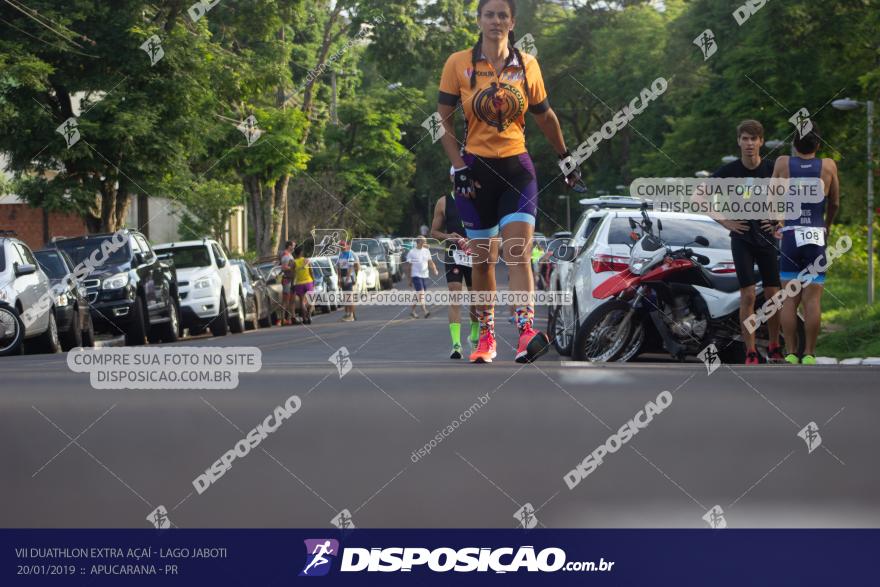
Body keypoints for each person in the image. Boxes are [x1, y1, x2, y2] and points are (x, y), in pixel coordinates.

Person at [437, 0, 582, 363]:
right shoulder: (458, 63)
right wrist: (459, 166)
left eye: (503, 15)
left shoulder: (527, 64)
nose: (496, 21)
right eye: (489, 14)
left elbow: (545, 117)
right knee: (484, 261)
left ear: (512, 22)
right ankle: (486, 338)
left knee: (517, 254)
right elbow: (443, 122)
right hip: (475, 173)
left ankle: (525, 332)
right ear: (479, 20)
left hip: (517, 169)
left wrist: (566, 157)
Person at [712, 120, 783, 365]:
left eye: (754, 139)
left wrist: (780, 221)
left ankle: (775, 345)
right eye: (745, 139)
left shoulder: (773, 169)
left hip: (767, 238)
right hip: (742, 238)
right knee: (749, 296)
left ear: (761, 141)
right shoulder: (729, 171)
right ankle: (750, 351)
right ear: (739, 142)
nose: (749, 143)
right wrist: (726, 222)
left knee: (774, 295)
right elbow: (698, 196)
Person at [772, 124, 840, 365]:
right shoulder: (829, 165)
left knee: (789, 298)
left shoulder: (782, 163)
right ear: (818, 145)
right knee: (813, 299)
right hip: (815, 233)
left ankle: (790, 352)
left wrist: (776, 224)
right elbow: (834, 203)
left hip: (790, 234)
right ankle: (809, 353)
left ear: (794, 145)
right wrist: (827, 226)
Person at [432, 167, 481, 358]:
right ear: (451, 177)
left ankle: (474, 337)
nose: (458, 179)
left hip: (474, 254)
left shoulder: (476, 199)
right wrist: (448, 236)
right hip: (453, 254)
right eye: (455, 175)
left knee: (476, 300)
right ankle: (456, 344)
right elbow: (434, 233)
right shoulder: (443, 202)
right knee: (455, 298)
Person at [406, 236, 439, 319]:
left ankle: (412, 311)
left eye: (426, 241)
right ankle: (425, 311)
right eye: (424, 241)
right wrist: (409, 279)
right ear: (419, 242)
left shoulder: (426, 251)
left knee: (419, 295)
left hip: (425, 275)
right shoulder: (412, 252)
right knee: (421, 293)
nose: (425, 243)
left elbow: (430, 262)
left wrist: (434, 269)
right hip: (415, 275)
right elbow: (409, 267)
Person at [336, 240, 360, 322]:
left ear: (346, 246)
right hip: (342, 277)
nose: (342, 247)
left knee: (349, 297)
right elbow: (338, 267)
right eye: (340, 246)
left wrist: (348, 277)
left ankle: (352, 315)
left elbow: (350, 267)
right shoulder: (340, 255)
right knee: (345, 296)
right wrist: (338, 279)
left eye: (343, 245)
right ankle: (347, 314)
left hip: (348, 277)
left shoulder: (350, 254)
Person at [292, 245, 314, 325]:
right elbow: (311, 271)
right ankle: (309, 314)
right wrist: (313, 280)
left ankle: (304, 318)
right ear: (301, 252)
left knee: (302, 302)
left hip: (299, 283)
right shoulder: (306, 260)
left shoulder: (294, 262)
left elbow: (293, 274)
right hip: (308, 282)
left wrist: (292, 284)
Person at [279, 240, 297, 325]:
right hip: (287, 280)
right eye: (293, 246)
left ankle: (290, 319)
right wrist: (292, 268)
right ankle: (283, 319)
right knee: (286, 300)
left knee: (291, 300)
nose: (294, 247)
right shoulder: (286, 256)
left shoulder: (290, 255)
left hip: (291, 279)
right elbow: (283, 267)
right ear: (289, 246)